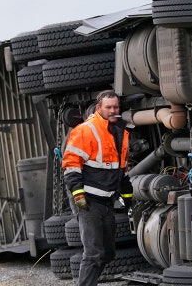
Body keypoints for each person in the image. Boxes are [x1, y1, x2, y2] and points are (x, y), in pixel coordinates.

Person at [62, 90, 133, 286]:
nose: (112, 110)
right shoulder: (86, 130)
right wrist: (78, 194)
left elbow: (122, 170)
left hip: (106, 202)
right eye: (108, 107)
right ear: (99, 108)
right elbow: (71, 164)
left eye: (115, 107)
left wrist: (128, 198)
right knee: (93, 254)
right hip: (88, 201)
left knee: (107, 253)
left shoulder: (120, 132)